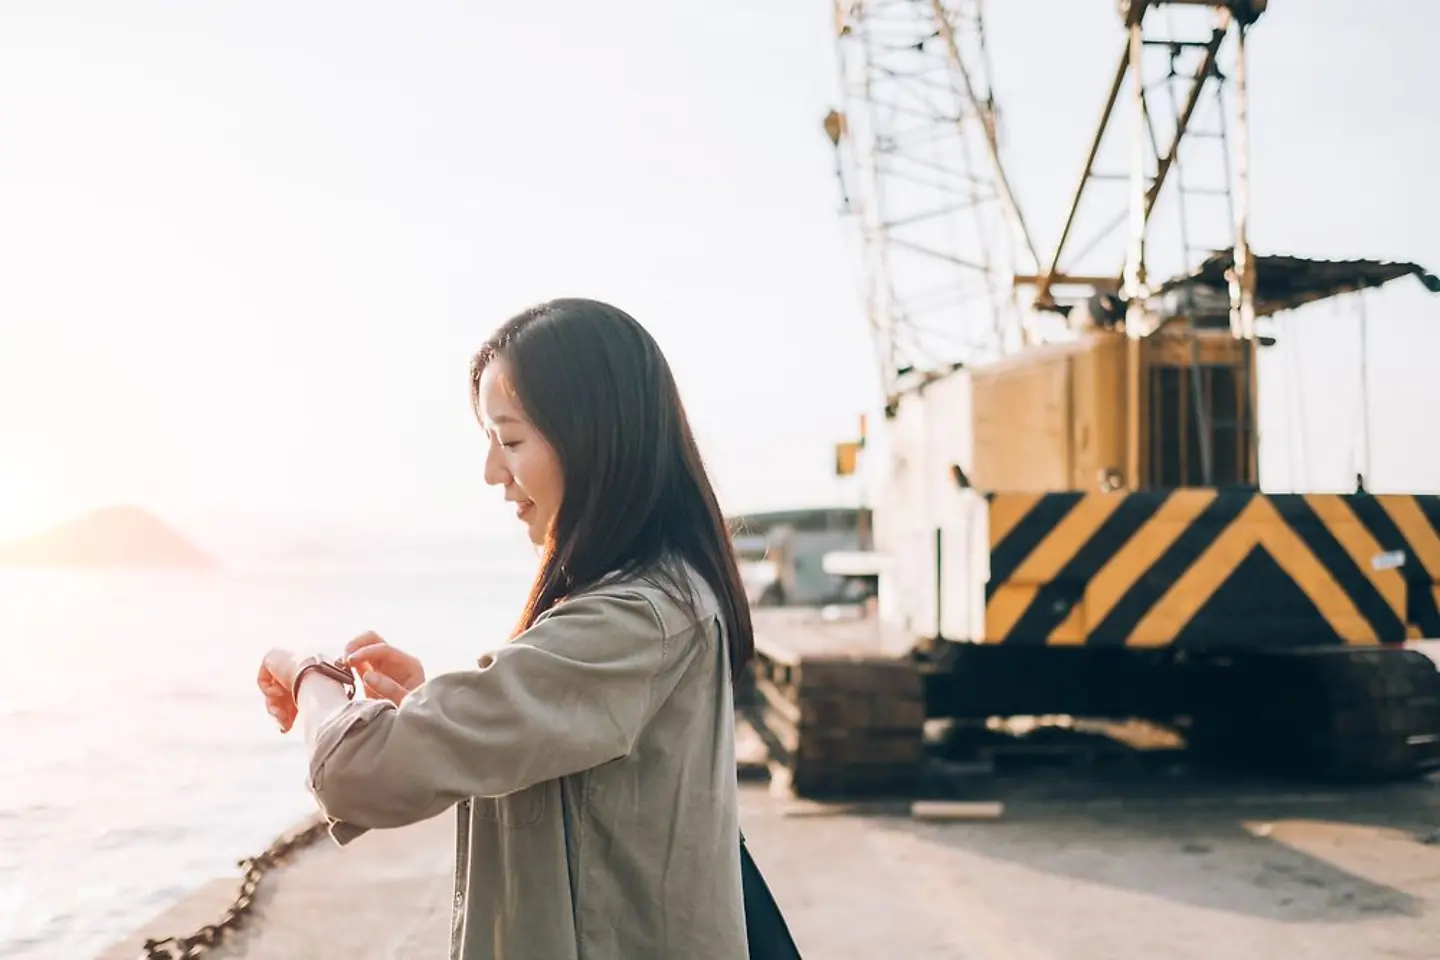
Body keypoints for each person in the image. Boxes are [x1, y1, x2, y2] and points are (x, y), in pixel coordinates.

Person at [255, 298, 755, 960]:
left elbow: (357, 772)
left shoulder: (633, 619)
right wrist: (425, 706)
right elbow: (583, 790)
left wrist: (311, 672)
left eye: (511, 440)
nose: (494, 474)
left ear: (598, 439)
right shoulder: (659, 598)